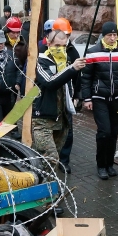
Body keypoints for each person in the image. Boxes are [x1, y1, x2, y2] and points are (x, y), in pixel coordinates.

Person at [31, 26, 85, 170]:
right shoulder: (41, 62)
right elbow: (50, 82)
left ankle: (46, 187)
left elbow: (72, 82)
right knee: (50, 158)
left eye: (63, 46)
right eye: (57, 46)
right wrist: (72, 68)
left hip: (62, 119)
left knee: (48, 160)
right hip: (43, 120)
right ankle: (39, 187)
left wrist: (75, 97)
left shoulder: (66, 62)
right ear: (48, 44)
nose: (60, 49)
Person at [79, 21, 118, 180]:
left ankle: (110, 164)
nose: (112, 38)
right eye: (109, 35)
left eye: (114, 35)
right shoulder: (93, 52)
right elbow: (86, 78)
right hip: (99, 98)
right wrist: (87, 98)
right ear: (103, 36)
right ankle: (101, 165)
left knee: (114, 132)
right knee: (104, 132)